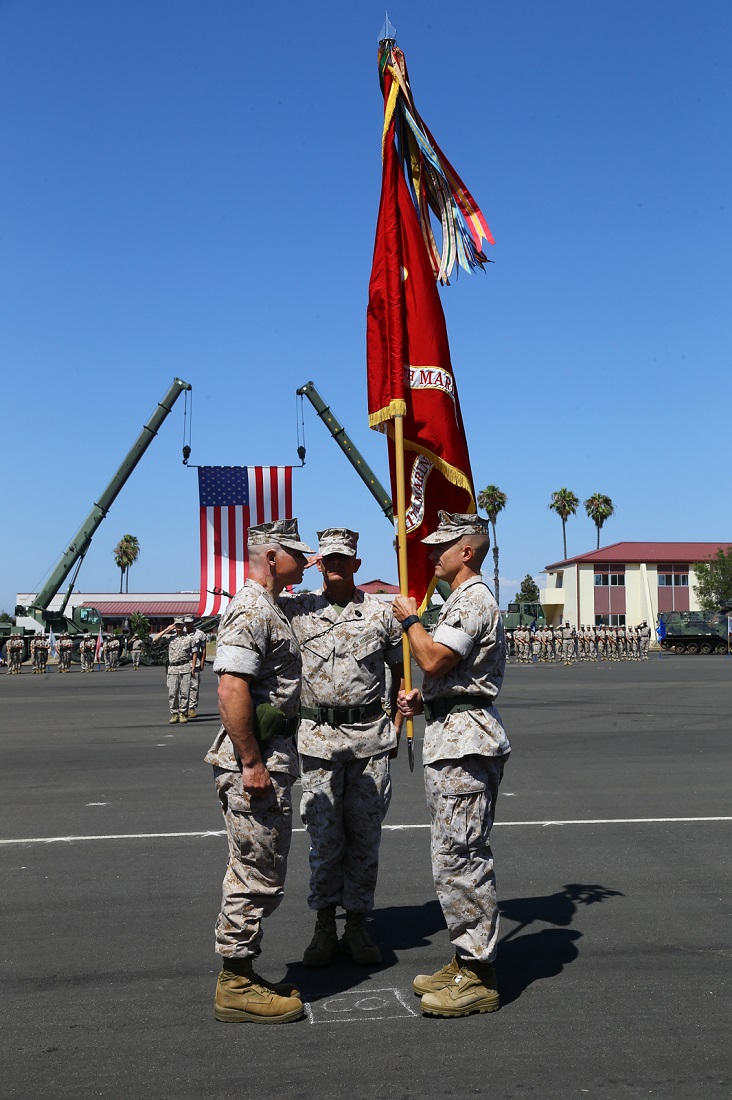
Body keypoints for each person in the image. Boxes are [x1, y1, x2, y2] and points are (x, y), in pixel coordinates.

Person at [393, 511, 511, 1019]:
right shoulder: (460, 601)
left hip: (466, 747)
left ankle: (479, 975)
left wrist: (408, 621)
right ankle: (464, 959)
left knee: (461, 857)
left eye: (443, 545)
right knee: (450, 855)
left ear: (467, 551)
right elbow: (449, 675)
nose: (431, 552)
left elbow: (435, 659)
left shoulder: (474, 599)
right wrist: (429, 701)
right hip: (452, 735)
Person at [205, 517, 313, 1025]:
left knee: (259, 865)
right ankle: (235, 982)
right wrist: (251, 762)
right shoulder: (251, 608)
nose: (306, 559)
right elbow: (231, 689)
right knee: (255, 870)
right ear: (272, 557)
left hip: (268, 753)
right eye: (296, 552)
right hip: (255, 759)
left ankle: (243, 971)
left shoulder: (270, 606)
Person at [280, 528, 404, 968]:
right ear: (318, 564)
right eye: (327, 559)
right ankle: (323, 925)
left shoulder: (380, 614)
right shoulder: (297, 611)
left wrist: (400, 716)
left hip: (369, 739)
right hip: (317, 742)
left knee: (365, 837)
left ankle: (357, 924)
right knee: (323, 837)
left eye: (342, 559)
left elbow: (400, 669)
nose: (334, 566)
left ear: (356, 565)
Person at [151, 619, 193, 723]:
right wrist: (167, 629)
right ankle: (174, 713)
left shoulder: (189, 638)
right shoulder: (169, 638)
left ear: (183, 625)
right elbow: (155, 640)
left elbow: (195, 652)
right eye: (176, 624)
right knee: (172, 692)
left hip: (185, 667)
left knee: (185, 692)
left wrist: (193, 667)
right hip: (173, 668)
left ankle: (182, 713)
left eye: (180, 624)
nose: (178, 626)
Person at [187, 623, 208, 718]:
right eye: (186, 623)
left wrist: (202, 662)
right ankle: (182, 708)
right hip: (183, 662)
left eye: (189, 623)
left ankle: (192, 708)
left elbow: (203, 649)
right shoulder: (180, 633)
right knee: (181, 688)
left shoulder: (200, 634)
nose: (188, 625)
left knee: (194, 686)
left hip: (195, 662)